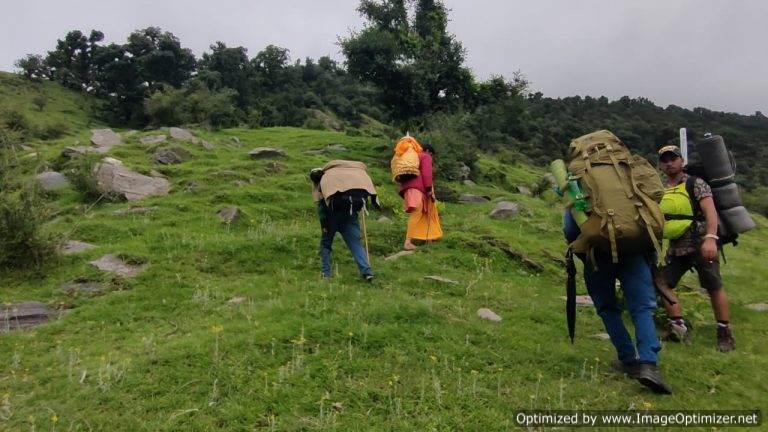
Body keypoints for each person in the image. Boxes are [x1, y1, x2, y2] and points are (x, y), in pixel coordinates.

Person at [564, 211, 672, 394]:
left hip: (597, 254)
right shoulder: (629, 181)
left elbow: (570, 229)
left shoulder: (578, 183)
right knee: (642, 307)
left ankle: (628, 359)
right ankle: (648, 363)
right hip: (633, 250)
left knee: (607, 307)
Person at [657, 145, 735, 351]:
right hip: (677, 246)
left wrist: (711, 238)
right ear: (660, 165)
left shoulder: (695, 183)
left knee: (713, 285)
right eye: (665, 160)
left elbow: (710, 212)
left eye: (673, 158)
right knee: (662, 282)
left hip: (701, 242)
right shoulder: (663, 189)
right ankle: (678, 327)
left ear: (681, 161)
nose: (669, 163)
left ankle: (725, 332)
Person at [310, 161, 377, 281]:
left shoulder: (324, 183)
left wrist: (324, 224)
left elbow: (322, 208)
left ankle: (326, 273)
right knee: (355, 243)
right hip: (350, 216)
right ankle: (367, 271)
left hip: (330, 218)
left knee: (326, 244)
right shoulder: (341, 179)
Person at [398, 144, 442, 250]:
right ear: (428, 151)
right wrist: (429, 190)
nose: (431, 157)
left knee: (423, 212)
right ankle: (407, 242)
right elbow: (427, 173)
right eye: (431, 154)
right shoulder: (425, 156)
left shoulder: (412, 157)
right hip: (418, 188)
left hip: (410, 188)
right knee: (417, 213)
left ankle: (428, 238)